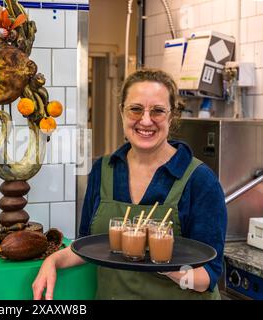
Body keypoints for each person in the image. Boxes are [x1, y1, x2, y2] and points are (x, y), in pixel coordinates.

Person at [32, 69, 227, 300]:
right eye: (135, 109)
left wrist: (164, 266)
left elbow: (208, 276)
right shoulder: (104, 170)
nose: (145, 120)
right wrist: (52, 260)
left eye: (158, 111)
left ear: (171, 116)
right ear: (122, 112)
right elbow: (86, 247)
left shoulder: (199, 180)